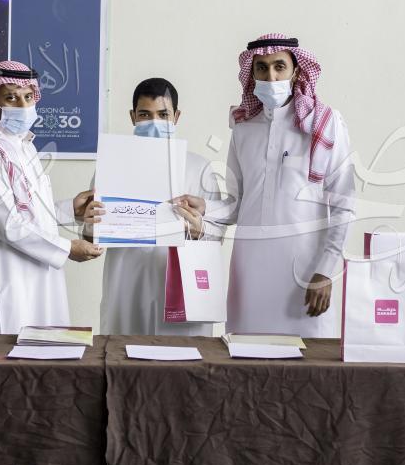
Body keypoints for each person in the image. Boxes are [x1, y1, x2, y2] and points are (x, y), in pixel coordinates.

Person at [177, 33, 356, 338]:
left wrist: (327, 268)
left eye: (279, 67)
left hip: (304, 270)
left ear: (296, 71)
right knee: (244, 355)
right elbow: (238, 203)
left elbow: (344, 204)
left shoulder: (325, 123)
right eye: (261, 68)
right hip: (249, 270)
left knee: (309, 360)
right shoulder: (243, 128)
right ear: (252, 74)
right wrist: (205, 207)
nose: (271, 76)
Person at [0, 60, 103, 334]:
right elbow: (6, 224)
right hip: (7, 274)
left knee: (45, 347)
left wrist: (69, 210)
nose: (23, 105)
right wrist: (66, 248)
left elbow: (30, 210)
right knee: (12, 346)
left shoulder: (24, 146)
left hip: (37, 272)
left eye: (28, 96)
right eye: (11, 98)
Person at [95, 78, 223, 335]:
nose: (154, 122)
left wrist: (199, 229)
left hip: (181, 284)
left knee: (183, 356)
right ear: (133, 117)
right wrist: (90, 226)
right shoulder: (111, 166)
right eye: (145, 114)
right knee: (124, 352)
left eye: (163, 115)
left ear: (176, 116)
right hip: (126, 283)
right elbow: (92, 229)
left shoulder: (199, 167)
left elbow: (217, 231)